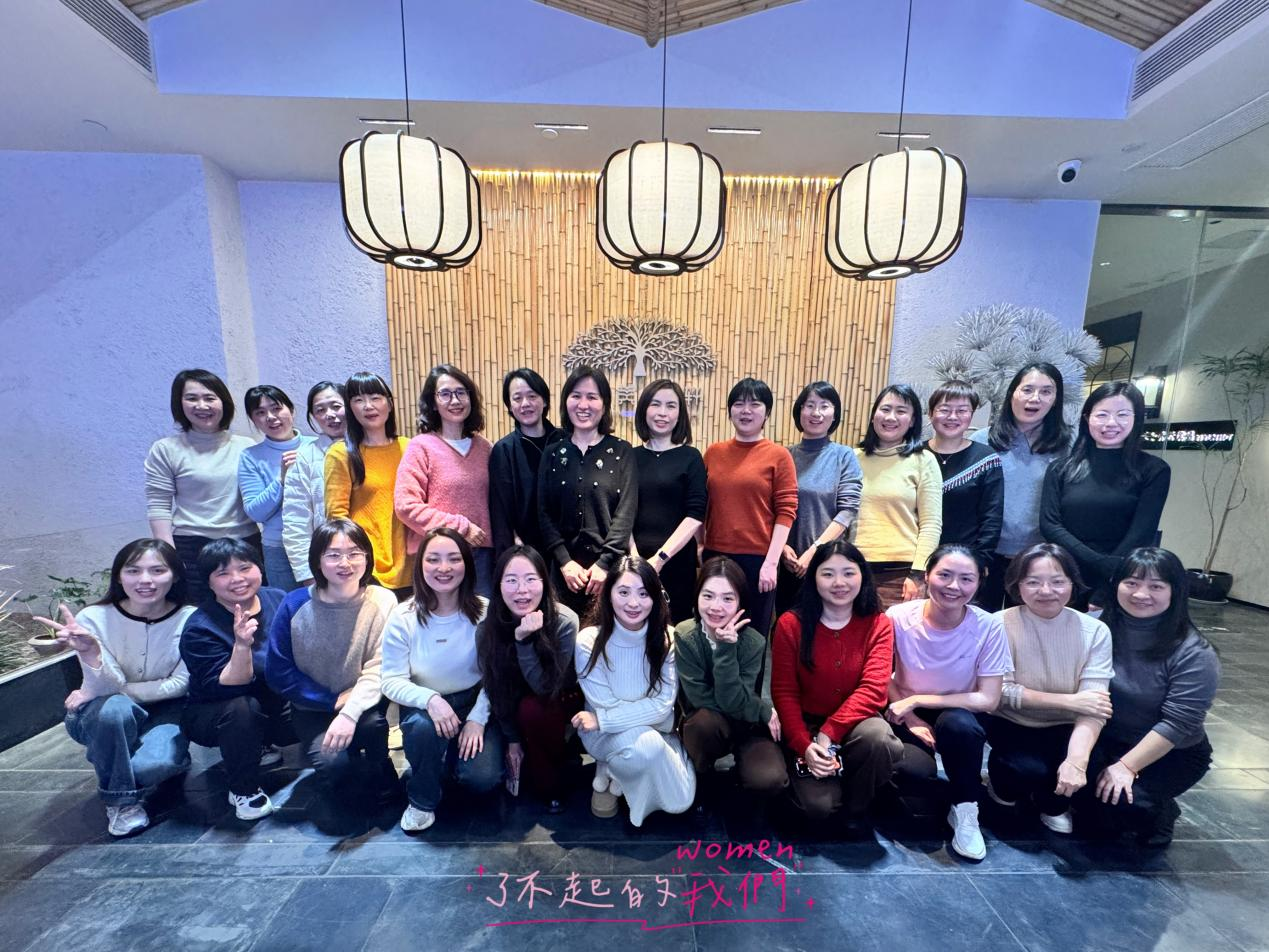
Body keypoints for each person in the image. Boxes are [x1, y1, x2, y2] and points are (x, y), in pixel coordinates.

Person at [35, 540, 194, 837]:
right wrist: (91, 652)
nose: (145, 580)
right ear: (119, 577)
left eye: (157, 570)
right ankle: (121, 803)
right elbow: (107, 689)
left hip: (166, 710)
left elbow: (181, 684)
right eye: (133, 571)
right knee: (115, 711)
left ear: (175, 576)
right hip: (102, 713)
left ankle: (117, 755)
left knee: (155, 766)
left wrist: (118, 689)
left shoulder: (189, 617)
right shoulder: (93, 618)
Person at [886, 544, 1012, 861]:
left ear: (979, 583)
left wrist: (918, 699)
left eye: (966, 579)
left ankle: (966, 808)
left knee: (960, 726)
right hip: (904, 708)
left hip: (960, 711)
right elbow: (880, 675)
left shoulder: (989, 625)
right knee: (914, 773)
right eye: (944, 575)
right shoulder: (898, 617)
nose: (954, 586)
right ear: (927, 575)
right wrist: (911, 716)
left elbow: (988, 698)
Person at [265, 519, 400, 814]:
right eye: (333, 555)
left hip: (362, 703)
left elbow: (381, 666)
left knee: (374, 727)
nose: (345, 563)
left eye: (354, 553)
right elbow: (279, 671)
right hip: (312, 708)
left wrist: (349, 712)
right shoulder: (294, 604)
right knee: (334, 770)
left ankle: (380, 764)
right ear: (317, 560)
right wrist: (330, 701)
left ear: (367, 557)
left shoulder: (383, 600)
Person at [1087, 547, 1218, 848]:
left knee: (1124, 806)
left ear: (1176, 591)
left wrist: (1126, 767)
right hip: (1107, 737)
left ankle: (1160, 811)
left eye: (1156, 586)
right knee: (1080, 802)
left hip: (1171, 751)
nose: (1141, 594)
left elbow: (1178, 724)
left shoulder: (1195, 653)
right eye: (1131, 583)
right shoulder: (1095, 626)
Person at [983, 543, 1114, 834]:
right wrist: (1070, 702)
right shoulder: (998, 624)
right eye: (1033, 582)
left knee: (1090, 770)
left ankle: (1052, 802)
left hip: (1067, 727)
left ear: (1072, 583)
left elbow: (1095, 706)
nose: (1046, 591)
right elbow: (1001, 691)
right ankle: (1001, 786)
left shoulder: (1095, 631)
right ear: (1017, 585)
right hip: (1013, 722)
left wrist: (1076, 762)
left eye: (1057, 582)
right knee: (1023, 772)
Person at [380, 528, 503, 832]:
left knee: (482, 778)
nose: (443, 568)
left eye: (454, 559)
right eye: (433, 559)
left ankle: (447, 760)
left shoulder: (485, 611)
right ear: (420, 565)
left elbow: (495, 673)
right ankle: (422, 799)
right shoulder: (403, 616)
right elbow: (391, 680)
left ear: (467, 564)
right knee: (423, 729)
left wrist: (477, 718)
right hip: (424, 707)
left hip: (473, 701)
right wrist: (430, 700)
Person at [770, 542, 901, 827]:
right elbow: (784, 692)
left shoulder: (878, 623)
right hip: (806, 725)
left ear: (863, 576)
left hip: (856, 725)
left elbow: (874, 690)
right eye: (828, 574)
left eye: (848, 573)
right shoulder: (790, 624)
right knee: (817, 808)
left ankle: (857, 806)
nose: (839, 583)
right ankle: (826, 779)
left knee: (880, 739)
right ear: (813, 578)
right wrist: (805, 744)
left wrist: (829, 733)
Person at [573, 556, 695, 825]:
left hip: (612, 725)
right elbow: (608, 704)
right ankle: (611, 765)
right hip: (603, 736)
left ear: (656, 597)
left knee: (681, 800)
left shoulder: (668, 638)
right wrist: (651, 718)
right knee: (648, 746)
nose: (633, 603)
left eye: (643, 593)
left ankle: (614, 773)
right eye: (624, 592)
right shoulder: (588, 641)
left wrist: (602, 720)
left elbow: (662, 705)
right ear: (608, 594)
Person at [179, 539, 293, 821]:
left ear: (259, 568)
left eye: (245, 568)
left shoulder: (277, 598)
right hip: (218, 711)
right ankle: (243, 789)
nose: (237, 579)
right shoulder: (200, 626)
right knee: (243, 707)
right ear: (208, 581)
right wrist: (242, 645)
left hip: (273, 700)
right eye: (223, 573)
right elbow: (232, 682)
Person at [1041, 382, 1171, 609]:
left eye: (1123, 415)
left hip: (1119, 578)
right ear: (1087, 418)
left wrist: (1109, 582)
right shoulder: (1060, 468)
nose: (1111, 423)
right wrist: (1100, 563)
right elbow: (1050, 525)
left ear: (1136, 419)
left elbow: (1141, 533)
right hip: (1063, 574)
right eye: (1102, 414)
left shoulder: (1154, 470)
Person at [476, 545, 582, 812]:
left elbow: (547, 688)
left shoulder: (564, 622)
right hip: (510, 706)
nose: (522, 590)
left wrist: (523, 641)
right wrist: (512, 739)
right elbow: (495, 688)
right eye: (511, 580)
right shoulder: (487, 629)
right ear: (498, 585)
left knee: (532, 708)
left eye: (531, 579)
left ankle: (554, 774)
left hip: (557, 701)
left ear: (544, 582)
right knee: (485, 775)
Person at [675, 557, 787, 809]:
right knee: (703, 722)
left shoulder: (754, 641)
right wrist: (761, 708)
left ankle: (742, 777)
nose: (716, 607)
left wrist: (727, 649)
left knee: (770, 779)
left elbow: (736, 701)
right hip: (707, 726)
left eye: (728, 598)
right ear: (697, 596)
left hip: (745, 726)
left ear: (740, 603)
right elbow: (699, 698)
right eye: (708, 596)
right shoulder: (685, 635)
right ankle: (702, 777)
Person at [145, 369, 258, 605]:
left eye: (209, 398)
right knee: (200, 613)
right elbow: (159, 506)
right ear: (179, 404)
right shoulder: (166, 449)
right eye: (192, 398)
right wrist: (169, 557)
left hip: (244, 542)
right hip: (192, 547)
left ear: (223, 402)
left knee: (251, 612)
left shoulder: (246, 446)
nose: (202, 406)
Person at [702, 377, 798, 638]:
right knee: (712, 631)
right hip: (715, 555)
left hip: (759, 560)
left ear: (767, 413)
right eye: (738, 404)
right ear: (729, 410)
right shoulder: (714, 452)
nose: (746, 411)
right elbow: (701, 503)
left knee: (751, 637)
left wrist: (771, 562)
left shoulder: (779, 456)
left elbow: (786, 511)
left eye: (755, 404)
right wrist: (700, 544)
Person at [538, 367, 638, 616]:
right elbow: (543, 512)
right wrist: (565, 562)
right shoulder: (552, 453)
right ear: (566, 401)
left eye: (592, 397)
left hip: (610, 574)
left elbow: (625, 514)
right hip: (563, 573)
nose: (583, 405)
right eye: (576, 396)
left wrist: (604, 564)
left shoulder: (622, 451)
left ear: (604, 405)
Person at [973, 362, 1072, 610]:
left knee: (1030, 626)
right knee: (983, 623)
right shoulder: (982, 441)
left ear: (1056, 400)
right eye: (1027, 389)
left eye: (1046, 391)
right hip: (987, 555)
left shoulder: (1069, 444)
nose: (1035, 398)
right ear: (1012, 394)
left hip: (1041, 559)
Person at [396, 364, 495, 597]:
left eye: (461, 392)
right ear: (433, 402)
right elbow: (405, 505)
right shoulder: (421, 447)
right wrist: (461, 527)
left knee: (483, 617)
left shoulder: (485, 448)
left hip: (482, 557)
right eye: (445, 394)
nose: (455, 400)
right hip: (438, 556)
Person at [324, 372, 413, 596]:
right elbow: (337, 516)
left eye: (375, 397)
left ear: (389, 404)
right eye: (358, 400)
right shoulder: (341, 453)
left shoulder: (409, 447)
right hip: (366, 565)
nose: (368, 406)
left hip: (413, 561)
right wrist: (357, 556)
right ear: (350, 408)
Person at [779, 381, 863, 614]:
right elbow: (769, 509)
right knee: (787, 626)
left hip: (828, 563)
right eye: (809, 405)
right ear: (799, 411)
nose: (816, 413)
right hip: (786, 563)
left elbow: (847, 511)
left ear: (834, 414)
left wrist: (814, 551)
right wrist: (782, 547)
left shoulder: (844, 456)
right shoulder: (784, 456)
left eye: (824, 406)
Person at [854, 384, 942, 606]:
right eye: (885, 409)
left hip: (900, 574)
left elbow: (931, 524)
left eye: (901, 411)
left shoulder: (923, 460)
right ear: (873, 415)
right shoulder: (852, 458)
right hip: (851, 567)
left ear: (912, 421)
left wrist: (917, 573)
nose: (891, 417)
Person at [631, 379, 707, 624]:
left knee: (674, 631)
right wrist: (634, 557)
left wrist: (660, 559)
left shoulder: (690, 457)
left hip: (676, 562)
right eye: (656, 404)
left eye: (671, 406)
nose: (662, 413)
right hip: (633, 561)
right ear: (644, 410)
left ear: (680, 414)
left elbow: (695, 514)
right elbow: (621, 511)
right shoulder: (629, 456)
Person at [238, 385, 314, 592]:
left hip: (322, 542)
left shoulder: (317, 445)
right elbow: (255, 512)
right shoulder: (250, 456)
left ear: (292, 410)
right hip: (278, 547)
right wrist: (281, 479)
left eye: (276, 408)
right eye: (260, 412)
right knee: (286, 604)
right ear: (253, 420)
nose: (271, 417)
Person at [925, 381, 1003, 579]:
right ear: (931, 413)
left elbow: (991, 516)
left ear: (971, 414)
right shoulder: (915, 455)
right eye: (944, 410)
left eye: (962, 410)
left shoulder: (985, 458)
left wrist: (981, 561)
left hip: (964, 564)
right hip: (915, 560)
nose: (953, 417)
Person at [489, 368, 560, 558]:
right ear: (509, 405)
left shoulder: (565, 441)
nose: (525, 403)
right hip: (527, 553)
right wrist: (510, 555)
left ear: (545, 400)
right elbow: (501, 512)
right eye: (517, 398)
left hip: (568, 552)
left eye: (532, 396)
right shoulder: (504, 450)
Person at [282, 381, 347, 586]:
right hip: (330, 563)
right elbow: (296, 521)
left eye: (336, 406)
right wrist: (307, 574)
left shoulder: (373, 448)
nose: (329, 414)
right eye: (320, 410)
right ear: (313, 416)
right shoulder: (304, 457)